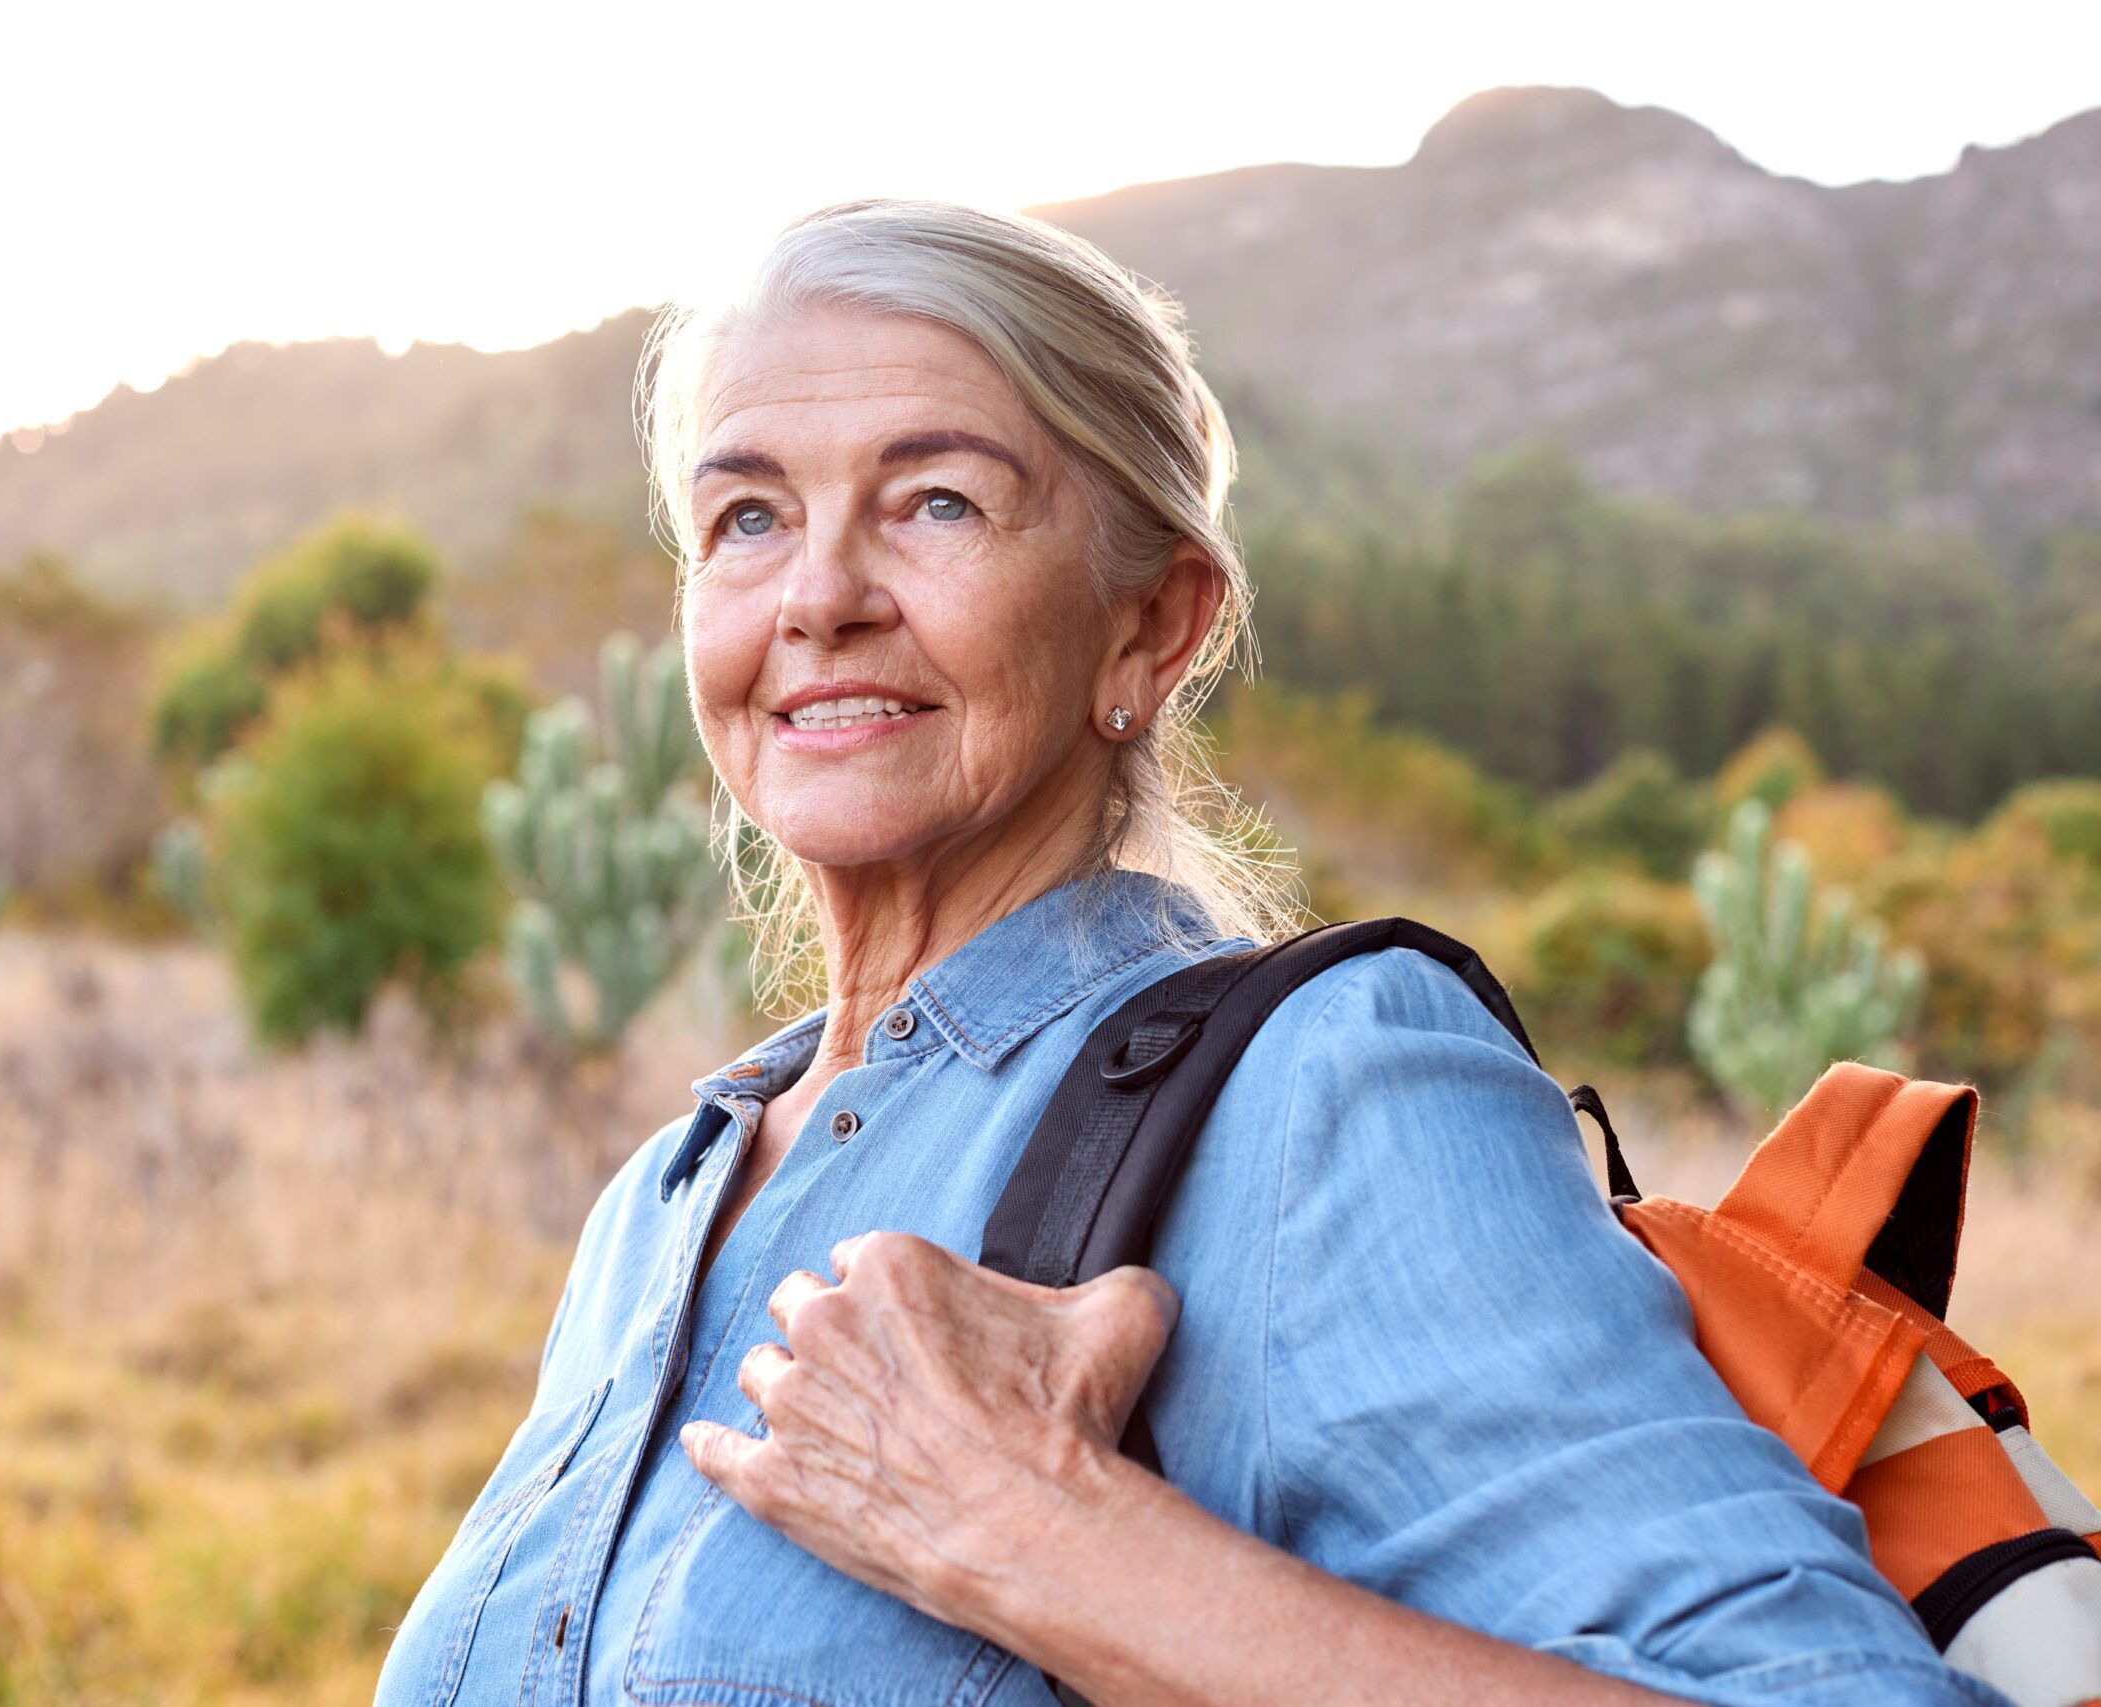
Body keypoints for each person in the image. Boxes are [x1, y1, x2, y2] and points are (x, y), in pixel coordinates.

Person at [370, 199, 2007, 1707]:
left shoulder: (1324, 1085)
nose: (817, 595)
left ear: (1153, 624)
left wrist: (1040, 1533)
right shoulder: (662, 1193)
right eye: (745, 517)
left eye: (936, 500)